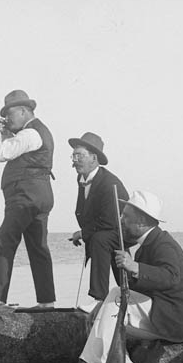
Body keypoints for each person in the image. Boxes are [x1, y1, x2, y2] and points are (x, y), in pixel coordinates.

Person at [77, 190, 183, 363]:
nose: (121, 220)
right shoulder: (149, 244)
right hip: (167, 313)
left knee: (115, 296)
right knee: (109, 309)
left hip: (178, 320)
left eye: (126, 217)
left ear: (142, 222)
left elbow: (171, 277)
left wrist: (135, 267)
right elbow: (146, 288)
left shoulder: (163, 244)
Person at [0, 89, 56, 308]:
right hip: (40, 194)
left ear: (24, 111)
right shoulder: (36, 132)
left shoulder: (30, 134)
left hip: (25, 196)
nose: (7, 118)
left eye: (10, 113)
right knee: (38, 248)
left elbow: (1, 153)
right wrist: (4, 132)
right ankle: (46, 301)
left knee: (5, 239)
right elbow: (18, 149)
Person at [68, 132, 129, 312]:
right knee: (101, 241)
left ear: (94, 158)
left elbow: (110, 220)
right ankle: (126, 297)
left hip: (122, 230)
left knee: (100, 240)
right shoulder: (82, 178)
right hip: (106, 229)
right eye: (73, 156)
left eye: (79, 156)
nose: (75, 160)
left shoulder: (109, 183)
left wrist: (83, 233)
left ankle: (99, 298)